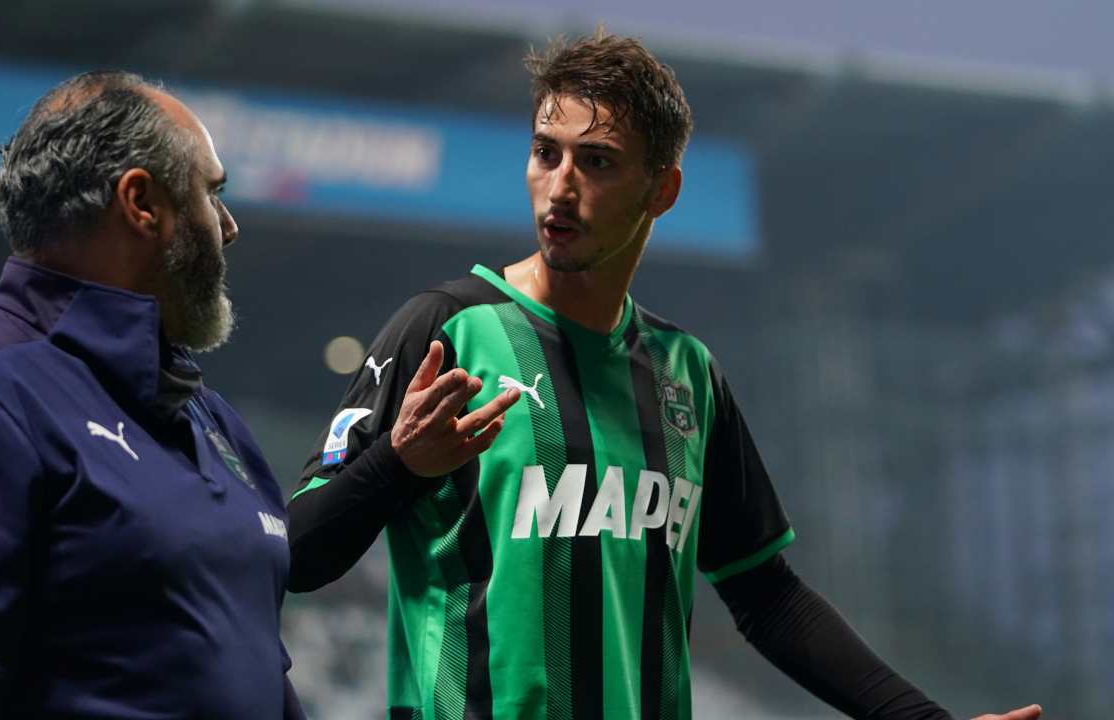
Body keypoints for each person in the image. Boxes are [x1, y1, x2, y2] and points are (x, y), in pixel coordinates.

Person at [286, 31, 1042, 720]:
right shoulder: (444, 331)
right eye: (546, 151)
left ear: (662, 191)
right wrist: (396, 464)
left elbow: (765, 594)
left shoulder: (687, 374)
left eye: (598, 161)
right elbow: (297, 553)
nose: (561, 185)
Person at [0, 71, 303, 719]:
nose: (227, 226)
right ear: (141, 202)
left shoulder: (211, 420)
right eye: (211, 192)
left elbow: (254, 672)